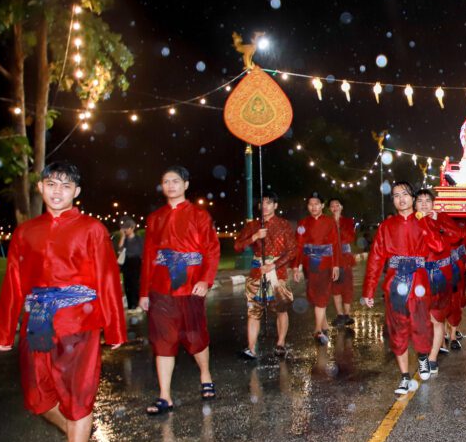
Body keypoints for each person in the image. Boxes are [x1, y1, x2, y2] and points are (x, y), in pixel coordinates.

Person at [0, 162, 126, 442]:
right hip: (37, 323)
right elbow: (13, 283)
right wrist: (4, 330)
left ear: (76, 192)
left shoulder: (92, 229)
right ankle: (77, 432)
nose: (57, 191)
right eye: (51, 184)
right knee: (37, 398)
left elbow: (108, 280)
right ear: (40, 187)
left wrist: (115, 328)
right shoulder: (25, 232)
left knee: (78, 394)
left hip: (79, 323)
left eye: (66, 186)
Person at [140, 166, 220, 415]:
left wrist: (205, 280)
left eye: (175, 181)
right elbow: (149, 256)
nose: (170, 185)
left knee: (195, 336)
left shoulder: (200, 216)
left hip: (190, 287)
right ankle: (165, 396)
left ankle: (205, 375)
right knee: (162, 341)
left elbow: (212, 250)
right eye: (166, 181)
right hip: (161, 289)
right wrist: (143, 292)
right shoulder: (155, 218)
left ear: (185, 185)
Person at [362, 182, 446, 395]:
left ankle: (423, 356)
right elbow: (375, 259)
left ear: (412, 198)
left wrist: (425, 222)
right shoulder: (386, 226)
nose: (401, 199)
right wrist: (369, 290)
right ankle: (404, 377)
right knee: (397, 329)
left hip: (419, 283)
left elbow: (438, 246)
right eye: (396, 195)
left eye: (405, 194)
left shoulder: (424, 221)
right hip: (394, 284)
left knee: (422, 326)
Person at [233, 193, 297, 359]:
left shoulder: (284, 225)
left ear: (275, 205)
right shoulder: (253, 225)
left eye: (269, 203)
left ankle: (280, 343)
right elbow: (237, 246)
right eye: (262, 203)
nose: (265, 206)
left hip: (277, 273)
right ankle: (251, 348)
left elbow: (292, 251)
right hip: (257, 272)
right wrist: (254, 236)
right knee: (253, 311)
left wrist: (273, 265)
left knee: (281, 309)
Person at [413, 189, 464, 377]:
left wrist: (439, 223)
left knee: (437, 317)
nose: (424, 204)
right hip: (419, 275)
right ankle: (424, 353)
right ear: (414, 204)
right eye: (420, 200)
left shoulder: (441, 218)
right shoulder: (412, 221)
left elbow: (457, 235)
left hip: (441, 275)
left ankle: (432, 358)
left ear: (433, 203)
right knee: (420, 319)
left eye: (428, 200)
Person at [292, 192, 342, 345]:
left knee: (321, 294)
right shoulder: (303, 223)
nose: (313, 207)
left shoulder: (329, 222)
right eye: (310, 204)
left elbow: (335, 244)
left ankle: (318, 330)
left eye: (316, 204)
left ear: (322, 205)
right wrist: (295, 266)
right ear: (308, 206)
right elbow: (299, 245)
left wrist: (336, 265)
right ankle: (324, 325)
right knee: (313, 295)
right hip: (309, 264)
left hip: (325, 263)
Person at [446, 216, 466, 350]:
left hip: (457, 266)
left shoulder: (463, 223)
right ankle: (442, 334)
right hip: (436, 267)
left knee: (456, 299)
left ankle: (452, 334)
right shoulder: (433, 218)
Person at [329, 197, 357, 327]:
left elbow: (349, 237)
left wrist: (338, 224)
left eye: (337, 205)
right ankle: (340, 315)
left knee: (347, 286)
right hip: (332, 258)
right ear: (330, 209)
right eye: (332, 206)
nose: (335, 208)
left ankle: (347, 314)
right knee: (335, 287)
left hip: (345, 258)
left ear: (341, 207)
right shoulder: (327, 222)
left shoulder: (348, 221)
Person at [116, 216, 144, 312]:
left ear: (132, 228)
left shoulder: (138, 239)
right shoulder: (124, 240)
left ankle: (137, 304)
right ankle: (131, 306)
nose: (125, 230)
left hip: (136, 263)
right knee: (127, 285)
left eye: (127, 228)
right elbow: (119, 250)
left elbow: (142, 251)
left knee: (135, 284)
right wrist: (123, 237)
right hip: (127, 263)